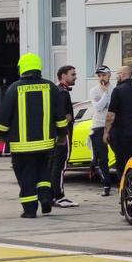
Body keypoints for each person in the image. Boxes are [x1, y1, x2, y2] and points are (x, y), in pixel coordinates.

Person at [0, 53, 67, 219]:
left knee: (26, 175)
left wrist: (2, 134)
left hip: (21, 146)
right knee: (43, 171)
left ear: (22, 68)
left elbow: (4, 117)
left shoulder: (14, 88)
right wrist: (62, 135)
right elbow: (60, 116)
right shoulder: (51, 87)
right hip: (46, 143)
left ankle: (29, 210)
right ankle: (45, 198)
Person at [104, 66, 132, 214]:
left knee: (122, 167)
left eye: (117, 74)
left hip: (122, 135)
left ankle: (124, 198)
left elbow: (111, 115)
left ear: (123, 75)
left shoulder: (118, 91)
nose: (116, 76)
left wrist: (106, 132)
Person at [49, 65, 79, 208]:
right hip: (62, 134)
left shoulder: (55, 90)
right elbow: (63, 116)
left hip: (54, 134)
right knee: (60, 165)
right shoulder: (62, 93)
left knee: (53, 165)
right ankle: (59, 196)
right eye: (72, 74)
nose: (75, 77)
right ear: (63, 76)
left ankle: (50, 195)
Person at [89, 66, 114, 196]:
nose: (101, 78)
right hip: (98, 126)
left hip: (114, 125)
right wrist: (104, 94)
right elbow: (98, 107)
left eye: (103, 75)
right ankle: (106, 184)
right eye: (99, 76)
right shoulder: (94, 91)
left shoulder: (115, 89)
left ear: (109, 75)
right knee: (102, 158)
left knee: (119, 154)